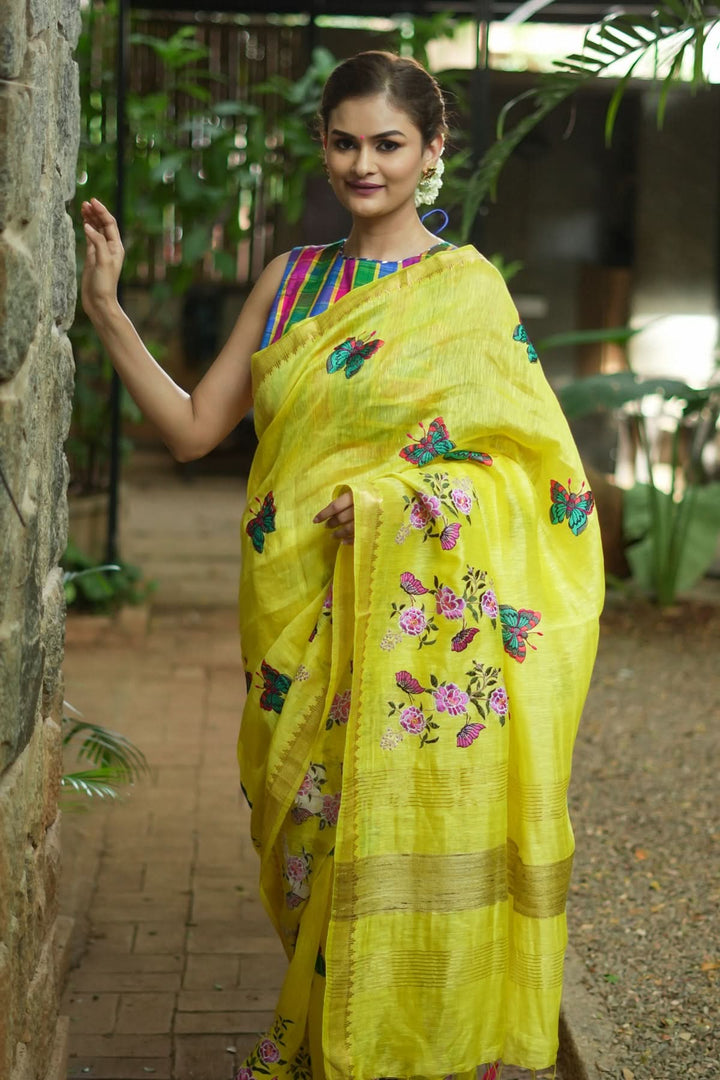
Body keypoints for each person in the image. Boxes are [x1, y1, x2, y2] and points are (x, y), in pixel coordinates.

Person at [81, 50, 603, 1080]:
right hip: (297, 623)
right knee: (309, 855)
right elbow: (193, 429)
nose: (365, 164)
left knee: (409, 841)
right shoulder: (291, 282)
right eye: (345, 142)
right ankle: (340, 1045)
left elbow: (540, 477)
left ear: (432, 150)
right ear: (322, 146)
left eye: (389, 144)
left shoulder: (468, 293)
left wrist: (399, 506)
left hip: (411, 634)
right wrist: (105, 306)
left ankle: (406, 1052)